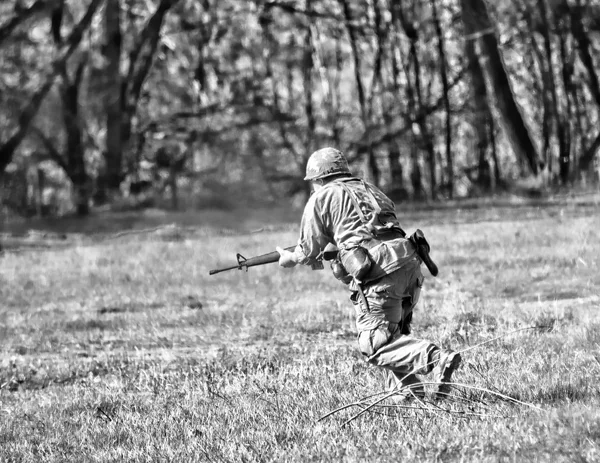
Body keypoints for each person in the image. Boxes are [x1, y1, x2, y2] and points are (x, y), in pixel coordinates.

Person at [276, 147, 461, 401]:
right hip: (410, 265)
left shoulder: (321, 198)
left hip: (379, 274)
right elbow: (371, 230)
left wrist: (289, 258)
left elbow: (307, 250)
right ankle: (407, 395)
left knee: (376, 345)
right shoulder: (370, 189)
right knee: (392, 337)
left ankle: (437, 358)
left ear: (317, 179)